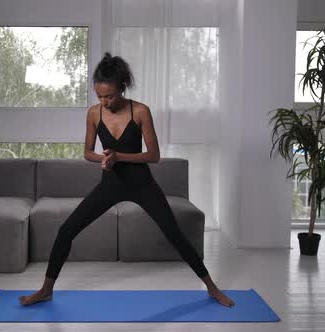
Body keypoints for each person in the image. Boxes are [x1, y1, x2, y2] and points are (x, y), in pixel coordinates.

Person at [19, 52, 235, 308]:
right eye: (99, 96)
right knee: (66, 230)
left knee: (175, 234)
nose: (104, 101)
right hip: (109, 185)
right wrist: (103, 158)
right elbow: (87, 152)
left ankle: (211, 288)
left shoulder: (141, 111)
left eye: (109, 96)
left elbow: (154, 156)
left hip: (142, 185)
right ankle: (46, 290)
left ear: (121, 88)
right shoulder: (93, 114)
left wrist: (118, 155)